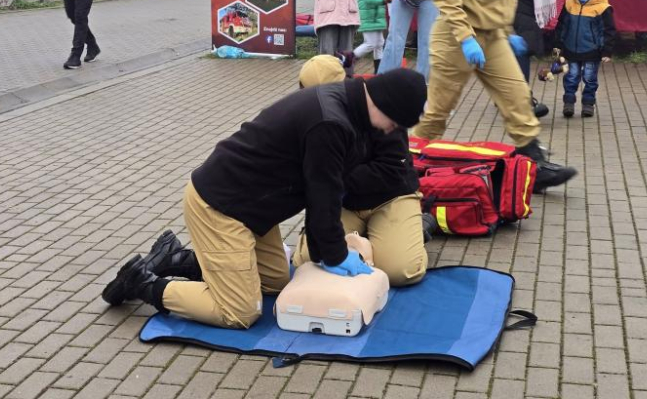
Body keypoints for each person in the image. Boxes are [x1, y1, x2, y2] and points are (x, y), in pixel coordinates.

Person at [101, 68, 428, 329]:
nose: (393, 131)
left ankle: (179, 259)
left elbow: (325, 193)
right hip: (220, 206)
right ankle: (142, 283)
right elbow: (324, 194)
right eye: (396, 122)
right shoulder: (332, 123)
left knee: (276, 282)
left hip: (253, 211)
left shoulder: (348, 108)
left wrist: (326, 250)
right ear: (382, 105)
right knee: (240, 311)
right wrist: (335, 254)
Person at [411, 0, 577, 194]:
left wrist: (505, 31)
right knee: (437, 113)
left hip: (493, 37)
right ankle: (404, 165)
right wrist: (466, 37)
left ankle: (534, 166)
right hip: (458, 40)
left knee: (518, 99)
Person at [292, 56, 427, 286]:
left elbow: (392, 168)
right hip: (344, 202)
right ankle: (367, 240)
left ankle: (419, 226)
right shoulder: (309, 116)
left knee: (401, 271)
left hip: (389, 196)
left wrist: (332, 179)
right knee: (307, 261)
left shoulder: (379, 106)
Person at [555, 0, 618, 118]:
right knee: (571, 76)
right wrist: (558, 44)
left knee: (590, 78)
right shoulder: (570, 3)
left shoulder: (603, 8)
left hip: (592, 51)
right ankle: (569, 102)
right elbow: (562, 25)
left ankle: (588, 103)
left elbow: (608, 31)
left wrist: (606, 51)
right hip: (571, 50)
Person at [353, 0, 388, 73]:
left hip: (374, 19)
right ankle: (347, 59)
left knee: (379, 44)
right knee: (370, 44)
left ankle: (379, 71)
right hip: (369, 18)